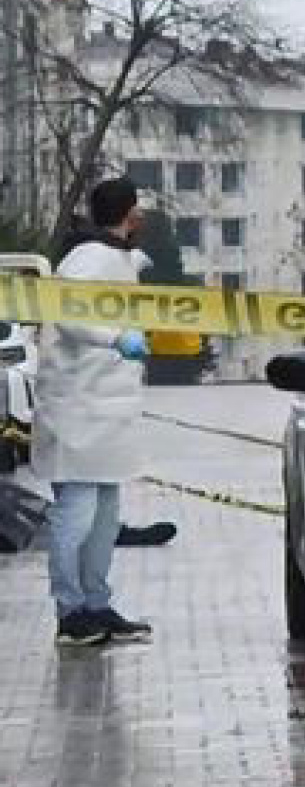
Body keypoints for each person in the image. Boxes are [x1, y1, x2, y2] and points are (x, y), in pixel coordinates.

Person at [33, 178, 153, 647]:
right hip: (77, 408)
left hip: (109, 413)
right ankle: (71, 612)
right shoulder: (85, 261)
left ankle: (97, 605)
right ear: (130, 213)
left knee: (104, 517)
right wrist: (114, 339)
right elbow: (66, 315)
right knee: (76, 515)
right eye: (139, 210)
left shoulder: (119, 259)